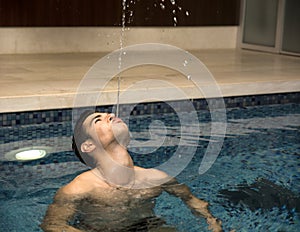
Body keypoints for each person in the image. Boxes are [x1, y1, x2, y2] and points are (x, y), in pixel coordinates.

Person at [41, 110, 223, 232]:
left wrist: (212, 223)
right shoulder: (80, 188)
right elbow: (53, 225)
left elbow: (193, 201)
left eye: (108, 113)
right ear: (88, 146)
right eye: (98, 119)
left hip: (149, 227)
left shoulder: (156, 178)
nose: (111, 115)